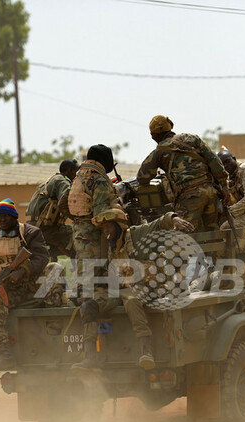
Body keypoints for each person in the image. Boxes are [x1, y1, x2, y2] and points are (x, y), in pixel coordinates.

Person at [0, 198, 63, 371]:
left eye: (6, 216)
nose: (3, 219)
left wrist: (23, 271)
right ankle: (5, 355)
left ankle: (52, 316)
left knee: (55, 269)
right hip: (6, 289)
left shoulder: (30, 232)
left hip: (32, 284)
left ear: (14, 217)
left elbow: (42, 258)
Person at [100, 209, 195, 370]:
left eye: (109, 227)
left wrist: (173, 219)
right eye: (104, 228)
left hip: (150, 287)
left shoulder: (136, 235)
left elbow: (158, 223)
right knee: (97, 302)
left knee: (132, 300)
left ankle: (146, 349)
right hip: (124, 288)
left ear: (119, 226)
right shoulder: (111, 247)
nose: (106, 231)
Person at [59, 144, 124, 372]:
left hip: (79, 237)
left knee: (86, 285)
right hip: (95, 241)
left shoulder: (78, 177)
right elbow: (101, 215)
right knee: (94, 292)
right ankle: (91, 355)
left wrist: (79, 223)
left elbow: (62, 204)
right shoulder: (99, 180)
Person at [136, 115, 229, 232]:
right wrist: (224, 185)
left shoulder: (159, 152)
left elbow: (142, 178)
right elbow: (214, 160)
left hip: (190, 196)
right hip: (211, 192)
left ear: (155, 135)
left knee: (182, 234)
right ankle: (218, 250)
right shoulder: (192, 139)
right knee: (212, 232)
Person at [26, 159, 79, 259]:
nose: (77, 176)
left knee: (62, 234)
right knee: (78, 233)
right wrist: (78, 219)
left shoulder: (49, 181)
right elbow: (64, 202)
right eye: (76, 172)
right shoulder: (62, 181)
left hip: (32, 227)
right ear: (68, 171)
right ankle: (81, 266)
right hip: (44, 228)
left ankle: (58, 260)